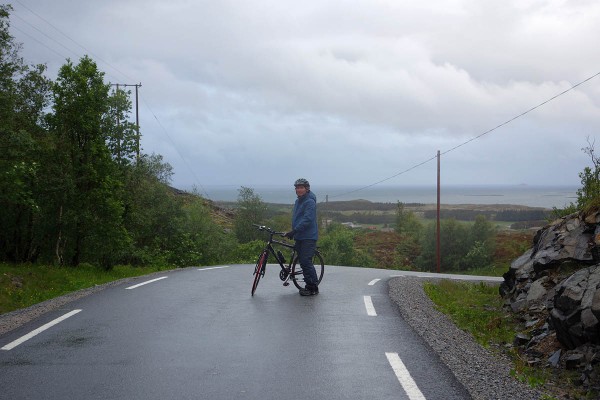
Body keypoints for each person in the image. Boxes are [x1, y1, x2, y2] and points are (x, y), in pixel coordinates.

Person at [284, 178, 319, 296]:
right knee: (302, 261)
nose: (299, 190)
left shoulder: (310, 201)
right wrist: (294, 232)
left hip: (308, 237)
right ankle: (308, 283)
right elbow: (297, 218)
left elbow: (307, 220)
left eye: (301, 187)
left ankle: (313, 287)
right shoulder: (298, 201)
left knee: (305, 261)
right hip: (299, 235)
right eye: (297, 188)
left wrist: (294, 231)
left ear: (307, 189)